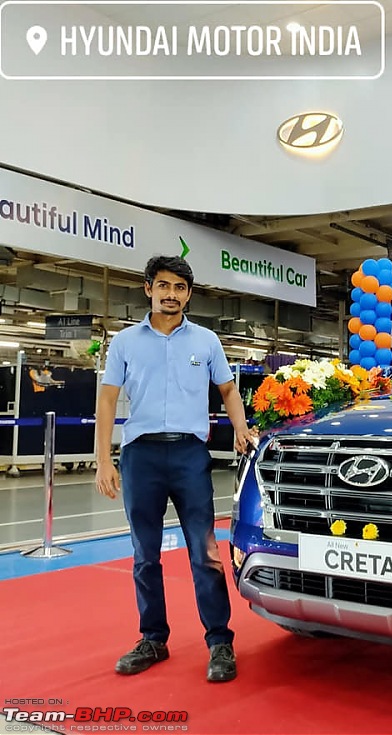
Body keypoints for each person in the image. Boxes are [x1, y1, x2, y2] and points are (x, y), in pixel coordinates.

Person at [95, 255, 253, 683]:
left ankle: (220, 641)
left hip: (189, 456)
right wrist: (104, 459)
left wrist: (240, 427)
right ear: (148, 289)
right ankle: (153, 638)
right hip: (141, 456)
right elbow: (107, 399)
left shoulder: (206, 341)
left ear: (188, 293)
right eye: (163, 286)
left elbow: (228, 389)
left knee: (206, 553)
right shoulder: (125, 342)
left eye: (180, 287)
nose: (171, 294)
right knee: (144, 555)